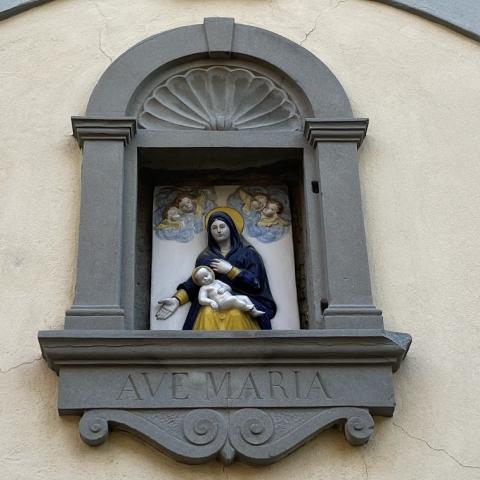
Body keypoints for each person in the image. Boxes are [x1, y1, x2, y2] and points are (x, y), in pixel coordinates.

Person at [156, 208, 276, 330]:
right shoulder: (206, 257)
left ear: (231, 228)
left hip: (239, 301)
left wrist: (231, 270)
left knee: (236, 313)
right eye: (214, 228)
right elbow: (195, 282)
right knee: (207, 312)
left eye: (222, 226)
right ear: (210, 232)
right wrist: (177, 300)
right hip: (213, 302)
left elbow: (256, 283)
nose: (218, 230)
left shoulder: (248, 254)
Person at [192, 265, 265, 317]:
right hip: (221, 303)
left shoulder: (217, 281)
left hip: (228, 299)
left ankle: (254, 312)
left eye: (206, 275)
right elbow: (201, 299)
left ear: (211, 273)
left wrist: (224, 289)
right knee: (233, 299)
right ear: (199, 283)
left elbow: (229, 288)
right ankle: (246, 307)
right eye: (202, 279)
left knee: (244, 297)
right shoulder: (204, 288)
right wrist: (211, 302)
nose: (205, 279)